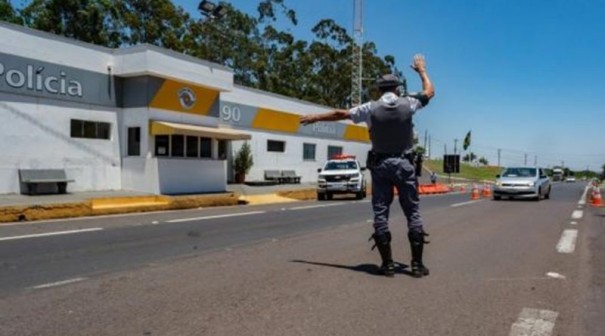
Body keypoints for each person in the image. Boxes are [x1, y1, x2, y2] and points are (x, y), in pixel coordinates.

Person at [300, 54, 435, 278]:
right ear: (397, 88)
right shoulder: (409, 103)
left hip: (381, 165)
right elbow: (430, 92)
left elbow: (340, 113)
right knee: (412, 212)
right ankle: (417, 265)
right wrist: (421, 70)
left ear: (379, 90)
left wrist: (315, 117)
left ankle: (388, 265)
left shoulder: (369, 108)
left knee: (381, 212)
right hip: (404, 164)